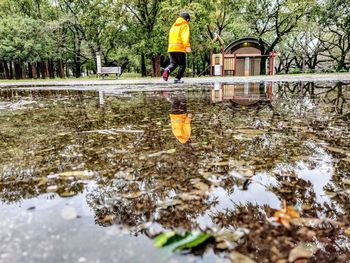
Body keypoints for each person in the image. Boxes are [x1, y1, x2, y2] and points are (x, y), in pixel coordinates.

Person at [163, 12, 192, 84]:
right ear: (187, 20)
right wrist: (187, 46)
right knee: (183, 65)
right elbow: (184, 37)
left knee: (174, 63)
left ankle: (167, 70)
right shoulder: (185, 25)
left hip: (171, 48)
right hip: (179, 48)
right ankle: (177, 78)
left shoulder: (174, 25)